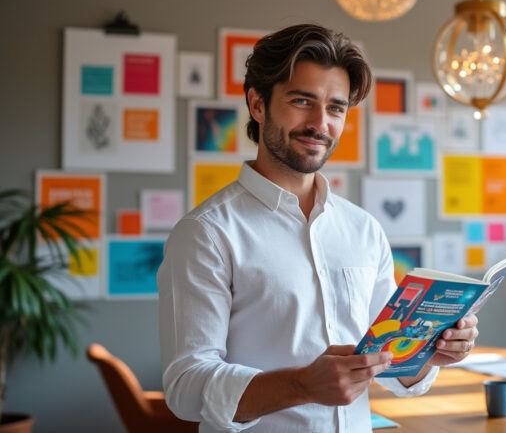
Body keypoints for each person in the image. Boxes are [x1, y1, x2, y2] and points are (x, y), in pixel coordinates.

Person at [157, 23, 479, 432]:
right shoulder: (206, 232)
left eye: (335, 108)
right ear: (258, 105)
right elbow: (186, 387)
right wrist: (301, 385)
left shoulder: (364, 230)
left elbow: (389, 364)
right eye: (302, 101)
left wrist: (428, 352)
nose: (320, 124)